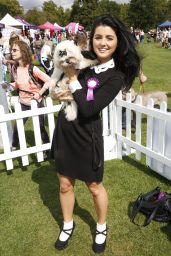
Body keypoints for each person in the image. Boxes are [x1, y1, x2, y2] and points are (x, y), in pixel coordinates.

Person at [51, 15, 140, 253]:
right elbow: (57, 81)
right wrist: (58, 89)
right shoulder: (82, 58)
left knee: (94, 186)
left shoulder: (116, 75)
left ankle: (101, 226)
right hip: (65, 129)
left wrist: (72, 79)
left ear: (118, 42)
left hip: (87, 134)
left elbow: (90, 108)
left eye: (109, 38)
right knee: (64, 184)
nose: (102, 42)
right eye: (98, 37)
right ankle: (67, 224)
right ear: (91, 40)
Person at [8, 40, 50, 151]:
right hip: (22, 103)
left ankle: (48, 149)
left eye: (15, 50)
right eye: (12, 50)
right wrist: (8, 86)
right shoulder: (14, 68)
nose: (12, 52)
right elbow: (18, 83)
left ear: (23, 52)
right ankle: (14, 147)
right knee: (18, 125)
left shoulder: (32, 68)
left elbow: (49, 80)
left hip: (36, 102)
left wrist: (39, 93)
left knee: (40, 127)